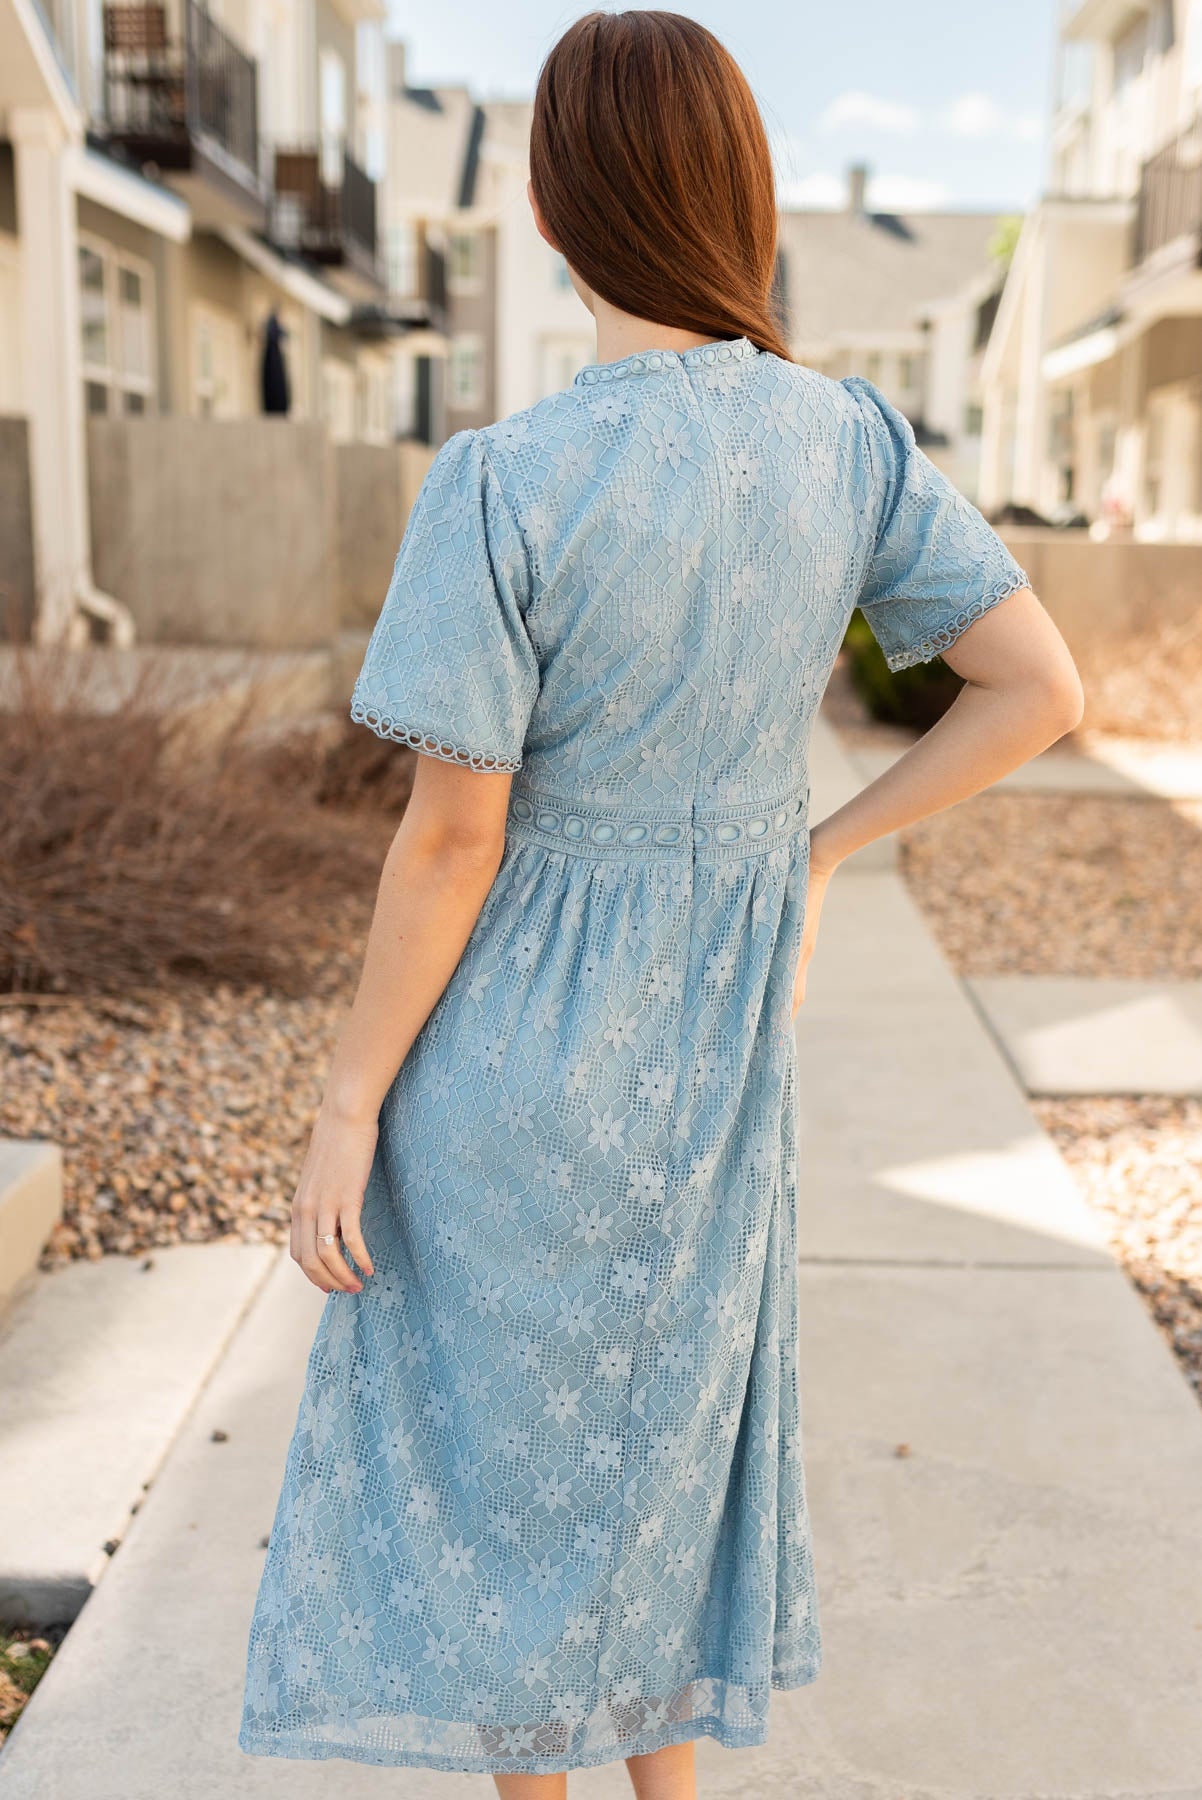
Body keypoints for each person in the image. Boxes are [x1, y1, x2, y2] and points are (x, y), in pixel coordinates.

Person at [237, 11, 1084, 1797]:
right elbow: (1038, 688)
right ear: (738, 195)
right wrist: (823, 843)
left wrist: (345, 1098)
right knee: (667, 1454)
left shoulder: (501, 483)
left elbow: (451, 842)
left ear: (551, 204)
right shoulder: (848, 446)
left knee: (507, 1479)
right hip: (717, 1044)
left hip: (511, 1041)